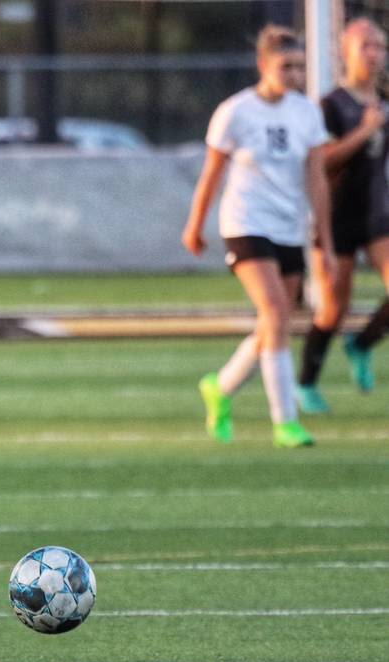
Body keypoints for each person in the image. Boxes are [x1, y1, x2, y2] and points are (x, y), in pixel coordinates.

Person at [181, 25, 337, 448]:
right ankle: (285, 421)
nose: (294, 74)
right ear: (263, 65)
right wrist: (195, 225)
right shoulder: (236, 111)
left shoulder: (306, 113)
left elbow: (317, 178)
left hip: (289, 225)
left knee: (277, 322)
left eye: (299, 67)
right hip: (246, 222)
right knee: (273, 311)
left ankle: (221, 387)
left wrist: (325, 236)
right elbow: (212, 173)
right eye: (286, 66)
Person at [297, 17, 389, 412]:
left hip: (377, 211)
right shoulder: (332, 105)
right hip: (335, 216)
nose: (374, 54)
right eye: (366, 45)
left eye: (380, 46)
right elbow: (323, 160)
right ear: (345, 52)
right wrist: (364, 132)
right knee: (333, 307)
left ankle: (363, 342)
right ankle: (307, 383)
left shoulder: (383, 103)